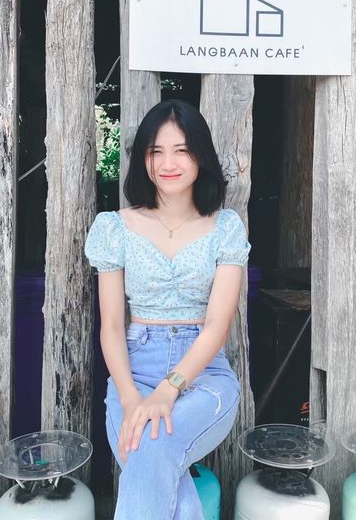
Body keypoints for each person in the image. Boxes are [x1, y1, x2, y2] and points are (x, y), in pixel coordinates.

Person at [84, 99, 250, 520]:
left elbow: (217, 326)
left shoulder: (225, 227)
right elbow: (111, 326)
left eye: (181, 150)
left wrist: (169, 389)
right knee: (153, 452)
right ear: (143, 159)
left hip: (204, 375)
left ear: (200, 155)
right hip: (133, 371)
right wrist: (130, 398)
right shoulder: (116, 227)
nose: (167, 163)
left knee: (152, 444)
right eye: (155, 151)